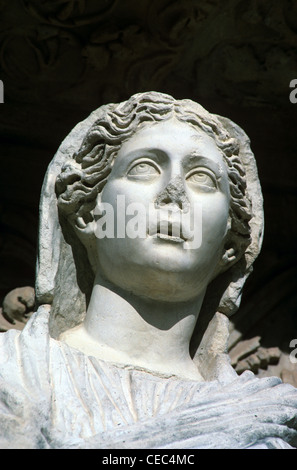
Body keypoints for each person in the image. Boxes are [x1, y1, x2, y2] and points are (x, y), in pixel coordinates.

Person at [0, 92, 296, 449]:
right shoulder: (11, 372)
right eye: (144, 168)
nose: (174, 191)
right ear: (86, 213)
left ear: (231, 245)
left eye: (202, 178)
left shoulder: (264, 417)